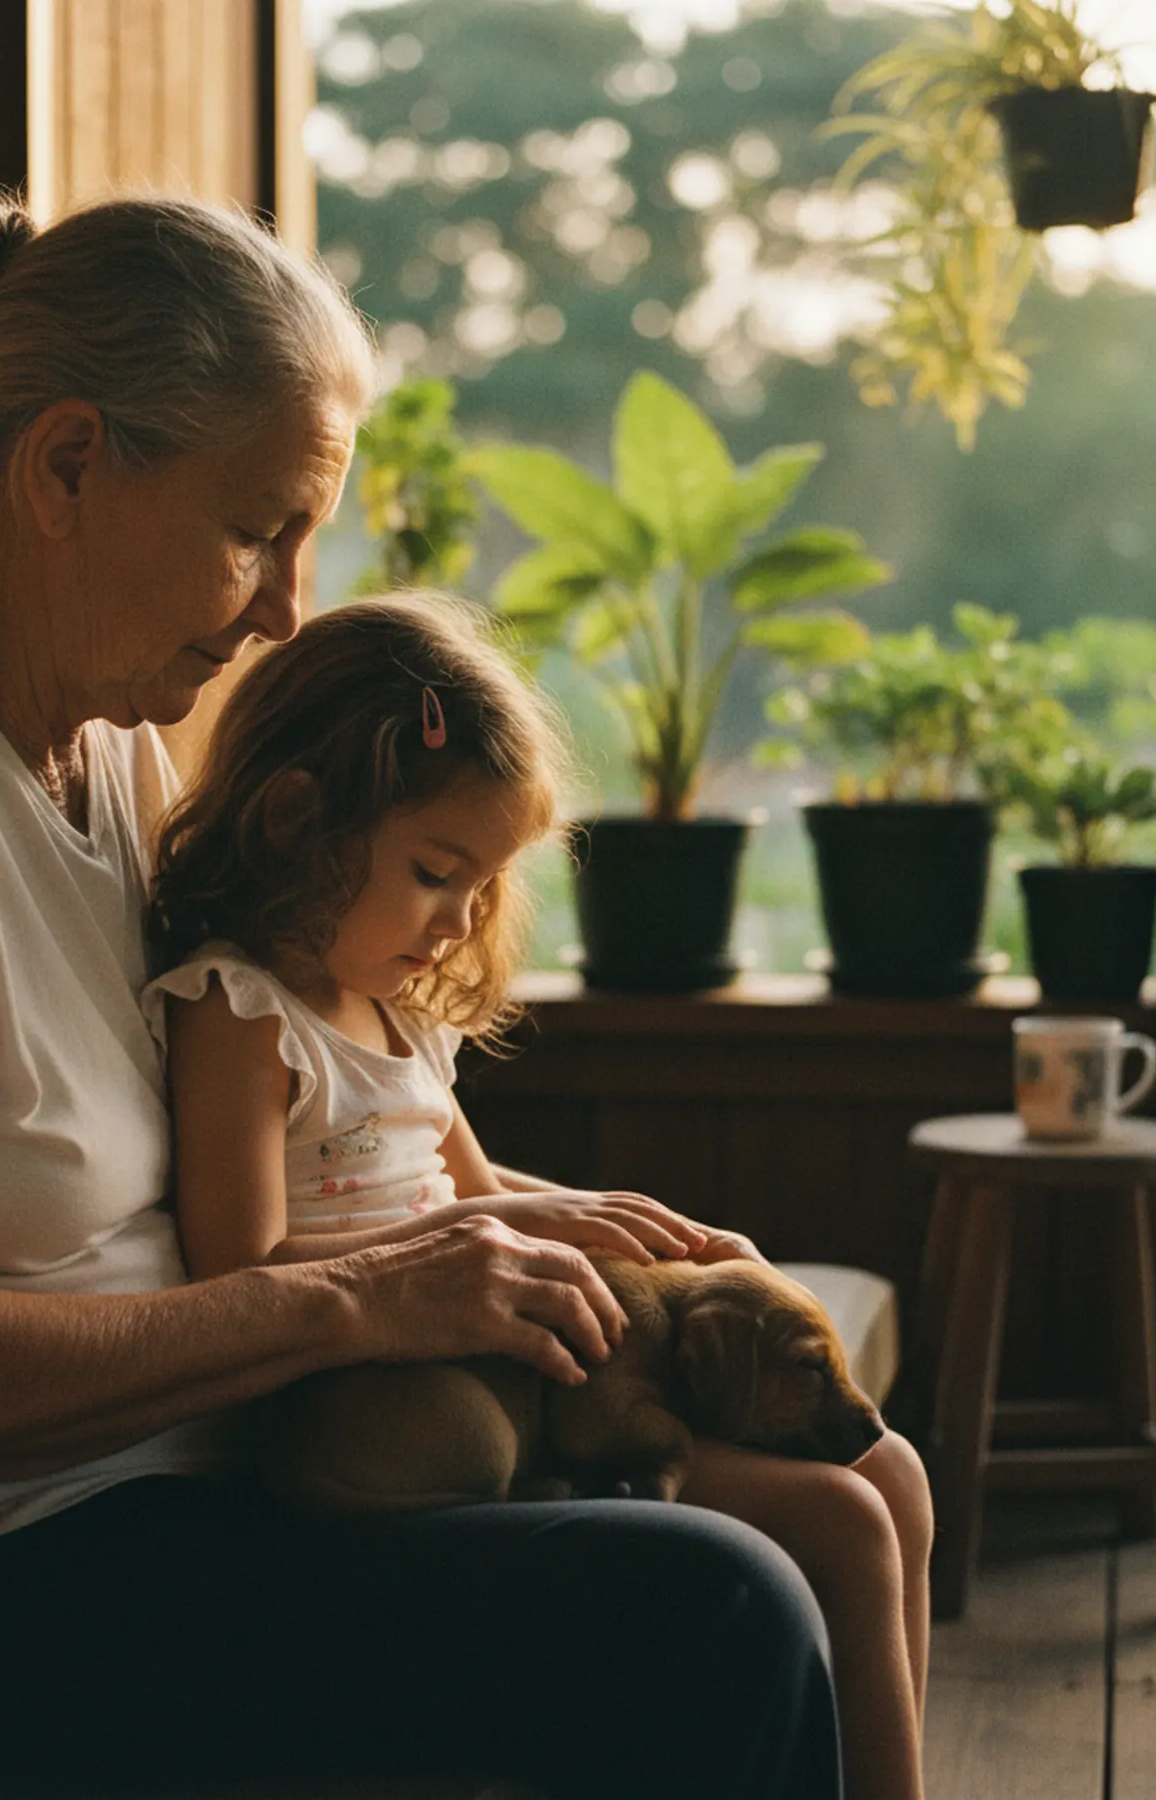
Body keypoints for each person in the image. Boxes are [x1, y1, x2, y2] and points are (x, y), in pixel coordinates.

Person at [0, 183, 843, 1799]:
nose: (285, 608)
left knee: (738, 1502)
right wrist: (363, 1297)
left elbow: (293, 1144)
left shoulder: (106, 751)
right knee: (715, 1614)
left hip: (155, 1490)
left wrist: (537, 1230)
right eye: (258, 531)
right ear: (66, 468)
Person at [146, 593, 933, 1800]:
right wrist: (498, 1226)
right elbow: (236, 1273)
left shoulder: (397, 1018)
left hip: (529, 1356)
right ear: (299, 825)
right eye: (435, 872)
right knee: (845, 1521)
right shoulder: (241, 1013)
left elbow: (485, 1190)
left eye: (484, 884)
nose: (462, 920)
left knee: (897, 1480)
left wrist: (636, 1225)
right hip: (412, 1413)